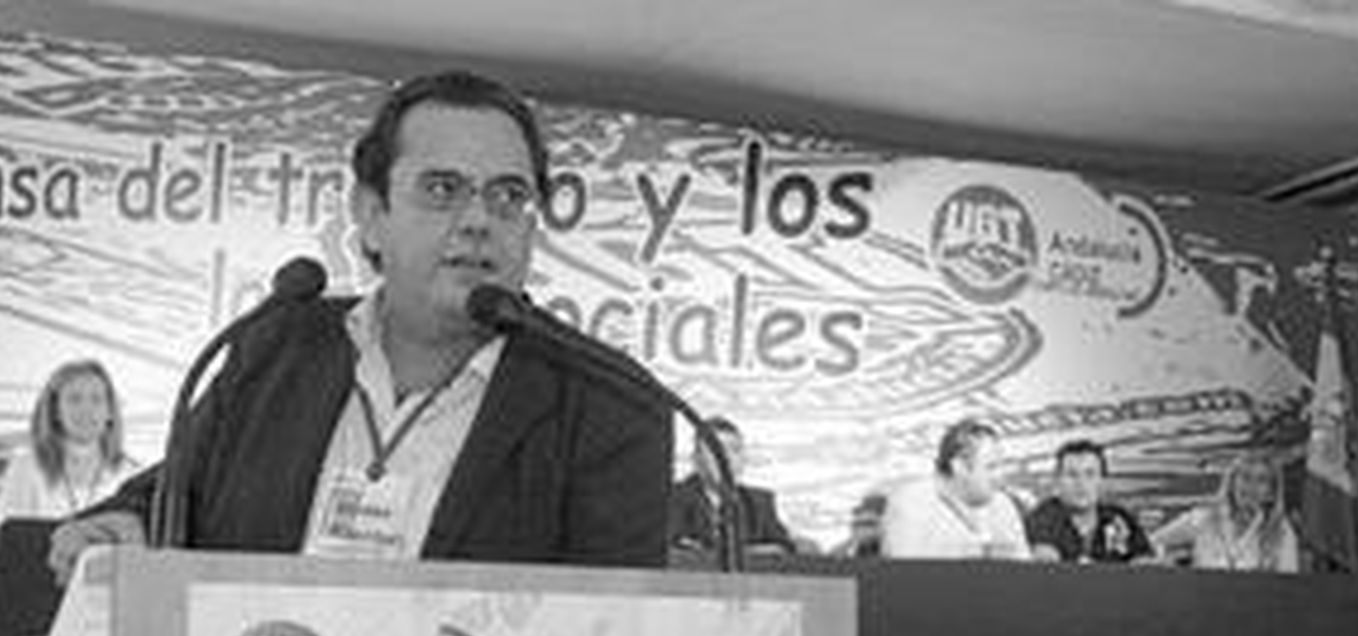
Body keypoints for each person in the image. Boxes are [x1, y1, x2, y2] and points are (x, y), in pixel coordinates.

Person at [49, 70, 670, 582]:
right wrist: (126, 523)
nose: (480, 218)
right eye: (442, 188)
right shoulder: (275, 346)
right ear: (371, 214)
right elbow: (177, 496)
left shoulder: (612, 403)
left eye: (509, 196)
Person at [0, 359, 140, 528]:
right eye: (74, 399)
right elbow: (6, 539)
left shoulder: (130, 474)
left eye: (96, 399)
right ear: (55, 412)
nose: (86, 410)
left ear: (110, 411)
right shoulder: (27, 467)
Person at [880, 417, 1032, 560]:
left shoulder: (1004, 505)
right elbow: (908, 576)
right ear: (958, 467)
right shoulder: (911, 503)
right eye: (991, 467)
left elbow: (1024, 572)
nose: (1001, 476)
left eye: (1002, 466)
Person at [667, 416, 797, 555]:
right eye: (716, 450)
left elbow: (783, 548)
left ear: (743, 459)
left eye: (734, 450)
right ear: (696, 459)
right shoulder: (673, 498)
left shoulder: (759, 503)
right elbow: (667, 549)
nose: (727, 459)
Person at [1151, 451, 1299, 572]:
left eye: (1261, 480)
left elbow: (1289, 589)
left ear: (1271, 493)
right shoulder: (1204, 519)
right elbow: (1152, 543)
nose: (1251, 487)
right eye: (1245, 477)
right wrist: (1166, 561)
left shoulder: (1282, 532)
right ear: (1232, 482)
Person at [1025, 438, 1153, 564]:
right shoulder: (1042, 519)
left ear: (1102, 481)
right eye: (1072, 475)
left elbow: (1145, 564)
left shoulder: (1118, 519)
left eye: (1090, 474)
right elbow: (1044, 564)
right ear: (1058, 481)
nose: (1081, 484)